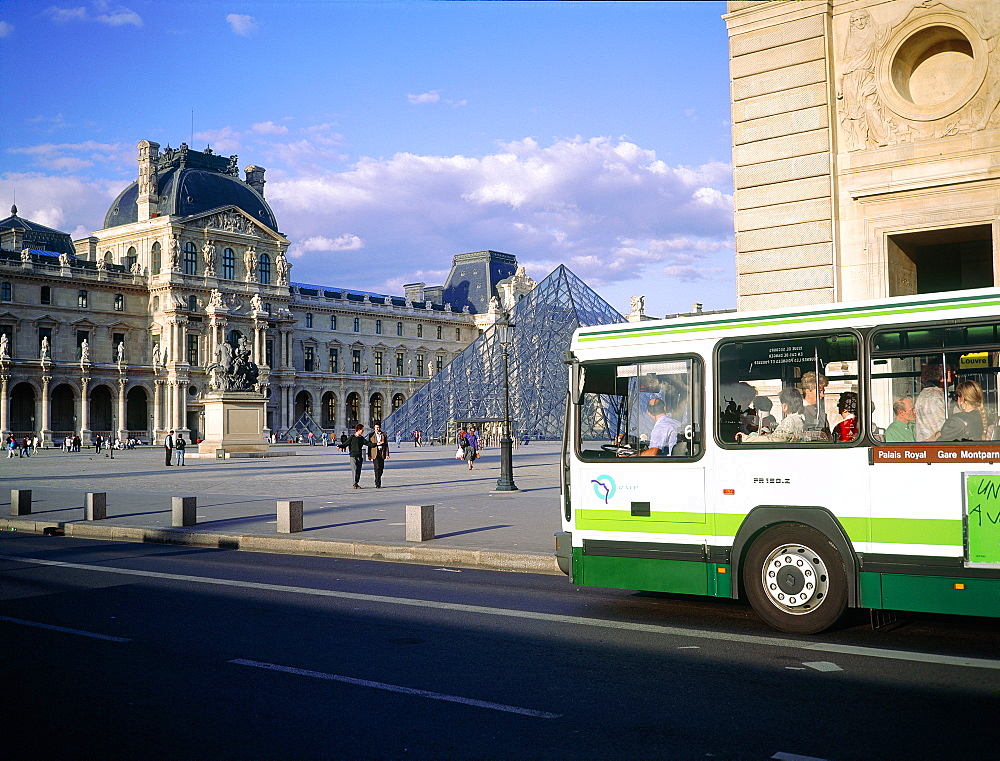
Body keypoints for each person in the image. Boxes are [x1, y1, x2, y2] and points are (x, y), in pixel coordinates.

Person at [739, 387, 805, 443]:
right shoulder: (800, 419)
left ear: (784, 406)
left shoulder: (789, 421)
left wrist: (745, 438)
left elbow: (774, 440)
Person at [915, 363, 956, 441]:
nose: (955, 375)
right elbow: (942, 427)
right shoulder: (933, 397)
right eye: (952, 372)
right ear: (941, 377)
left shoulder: (928, 393)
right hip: (935, 445)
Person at [800, 371, 830, 441]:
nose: (822, 395)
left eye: (823, 392)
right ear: (808, 391)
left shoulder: (820, 412)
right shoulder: (799, 411)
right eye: (819, 391)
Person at [368, 423, 390, 488]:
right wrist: (369, 455)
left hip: (381, 452)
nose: (377, 429)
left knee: (381, 468)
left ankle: (377, 479)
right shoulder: (371, 435)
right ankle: (378, 483)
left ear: (380, 427)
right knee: (377, 468)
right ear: (374, 428)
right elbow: (369, 446)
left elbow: (386, 446)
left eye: (378, 427)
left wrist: (387, 454)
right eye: (376, 427)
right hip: (375, 453)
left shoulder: (384, 435)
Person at [347, 424, 367, 489]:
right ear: (358, 430)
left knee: (358, 470)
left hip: (359, 456)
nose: (363, 431)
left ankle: (356, 483)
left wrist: (377, 444)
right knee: (354, 469)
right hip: (353, 455)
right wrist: (339, 446)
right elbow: (346, 443)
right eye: (362, 429)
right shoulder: (351, 437)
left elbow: (368, 443)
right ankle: (354, 483)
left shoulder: (361, 438)